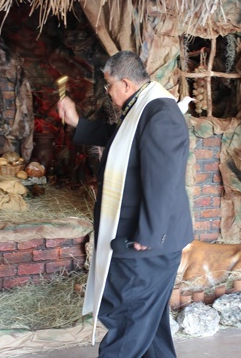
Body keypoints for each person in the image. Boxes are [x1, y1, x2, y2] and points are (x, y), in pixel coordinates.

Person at [57, 51, 194, 358]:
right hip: (146, 237)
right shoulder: (142, 106)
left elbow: (164, 179)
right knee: (149, 324)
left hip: (147, 242)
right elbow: (120, 138)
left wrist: (149, 234)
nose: (106, 91)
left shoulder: (160, 114)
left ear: (126, 83)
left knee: (128, 320)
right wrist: (78, 122)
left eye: (108, 85)